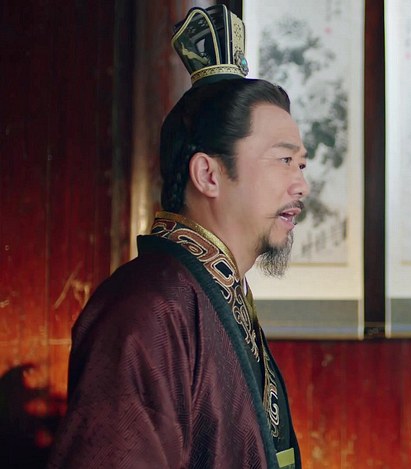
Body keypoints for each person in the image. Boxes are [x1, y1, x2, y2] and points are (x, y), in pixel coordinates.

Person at [48, 6, 307, 468]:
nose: (301, 184)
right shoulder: (146, 308)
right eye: (284, 160)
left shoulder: (216, 293)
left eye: (301, 164)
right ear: (208, 174)